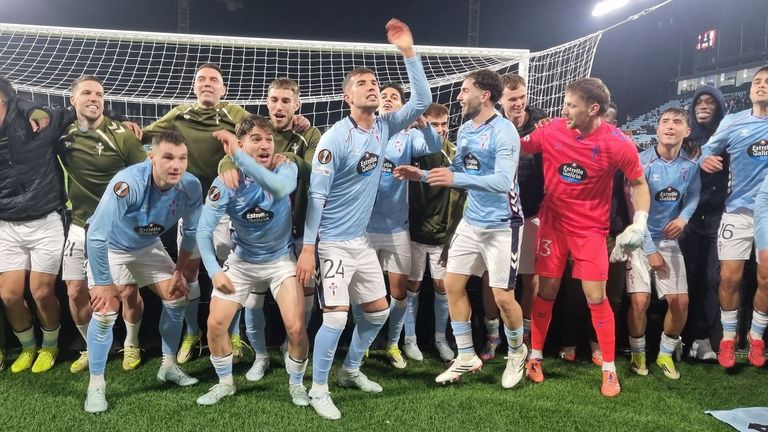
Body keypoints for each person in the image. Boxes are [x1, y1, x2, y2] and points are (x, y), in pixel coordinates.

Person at [295, 18, 430, 420]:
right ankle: (318, 388)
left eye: (375, 83)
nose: (372, 87)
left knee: (378, 311)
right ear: (346, 97)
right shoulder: (336, 137)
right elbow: (317, 195)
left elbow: (421, 102)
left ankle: (351, 369)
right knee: (336, 317)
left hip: (361, 242)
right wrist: (308, 249)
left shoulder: (386, 126)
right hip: (333, 242)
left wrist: (409, 51)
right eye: (362, 84)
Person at [396, 69, 527, 389]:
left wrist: (455, 179)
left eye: (464, 90)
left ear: (484, 95)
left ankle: (517, 352)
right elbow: (459, 169)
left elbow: (501, 181)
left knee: (503, 297)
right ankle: (466, 355)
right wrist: (423, 176)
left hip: (502, 224)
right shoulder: (467, 129)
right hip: (472, 221)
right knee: (452, 283)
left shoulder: (505, 131)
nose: (459, 96)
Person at [521, 78, 650, 397]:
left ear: (593, 109)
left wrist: (641, 221)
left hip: (591, 230)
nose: (564, 110)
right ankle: (535, 357)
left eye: (570, 105)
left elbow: (638, 183)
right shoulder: (552, 130)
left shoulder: (618, 143)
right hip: (553, 224)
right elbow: (519, 147)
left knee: (596, 296)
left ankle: (609, 369)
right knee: (547, 289)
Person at [83, 131, 202, 413]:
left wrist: (179, 270)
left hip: (147, 245)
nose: (176, 165)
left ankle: (169, 367)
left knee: (176, 296)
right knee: (105, 309)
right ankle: (96, 386)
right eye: (168, 158)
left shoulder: (192, 186)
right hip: (111, 245)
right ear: (152, 157)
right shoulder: (128, 183)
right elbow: (97, 235)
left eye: (182, 158)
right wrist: (102, 283)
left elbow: (193, 230)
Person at [196, 115, 310, 406]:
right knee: (215, 324)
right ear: (242, 144)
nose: (265, 145)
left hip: (281, 259)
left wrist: (237, 156)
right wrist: (212, 271)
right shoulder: (226, 181)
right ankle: (225, 383)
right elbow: (203, 231)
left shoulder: (285, 166)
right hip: (242, 260)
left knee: (296, 327)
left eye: (269, 139)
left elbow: (281, 189)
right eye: (256, 139)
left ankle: (296, 384)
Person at [142, 63, 249, 364]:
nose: (207, 83)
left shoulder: (234, 113)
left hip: (226, 208)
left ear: (223, 89)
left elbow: (258, 133)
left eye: (214, 80)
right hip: (190, 209)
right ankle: (193, 333)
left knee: (233, 271)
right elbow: (148, 134)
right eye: (201, 79)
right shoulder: (180, 114)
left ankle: (233, 331)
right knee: (188, 271)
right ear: (194, 86)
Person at [218, 77, 320, 379]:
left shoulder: (309, 133)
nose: (279, 106)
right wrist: (226, 164)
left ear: (297, 105)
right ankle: (260, 355)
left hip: (298, 225)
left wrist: (287, 158)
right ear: (267, 102)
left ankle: (293, 344)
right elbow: (233, 153)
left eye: (286, 101)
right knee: (253, 297)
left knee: (306, 290)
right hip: (258, 229)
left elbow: (313, 170)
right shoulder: (257, 129)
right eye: (274, 100)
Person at [58, 75, 148, 374]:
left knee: (126, 291)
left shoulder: (122, 135)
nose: (94, 98)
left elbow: (146, 174)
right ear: (73, 100)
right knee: (74, 291)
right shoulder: (62, 134)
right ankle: (92, 345)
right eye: (86, 93)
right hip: (81, 225)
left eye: (99, 93)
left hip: (116, 228)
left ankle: (132, 343)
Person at [367, 82, 441, 368]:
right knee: (366, 294)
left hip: (397, 228)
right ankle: (363, 344)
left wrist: (422, 123)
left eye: (394, 97)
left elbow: (434, 145)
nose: (387, 99)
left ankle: (393, 345)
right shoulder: (365, 132)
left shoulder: (408, 137)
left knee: (398, 293)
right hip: (365, 229)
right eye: (383, 96)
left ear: (401, 106)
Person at [699, 66, 768, 369]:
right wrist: (705, 158)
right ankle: (728, 338)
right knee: (728, 278)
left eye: (767, 83)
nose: (761, 86)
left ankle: (756, 337)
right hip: (736, 212)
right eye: (757, 82)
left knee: (767, 277)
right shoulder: (732, 121)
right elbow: (705, 149)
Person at [626, 107, 699, 380]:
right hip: (638, 239)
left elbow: (694, 195)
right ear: (657, 129)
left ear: (686, 131)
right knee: (639, 302)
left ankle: (666, 353)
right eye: (665, 121)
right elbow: (635, 211)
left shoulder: (690, 166)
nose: (670, 126)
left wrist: (682, 218)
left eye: (677, 122)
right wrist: (650, 250)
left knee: (680, 302)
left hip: (668, 240)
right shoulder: (640, 163)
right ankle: (638, 354)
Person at [478, 73, 547, 361]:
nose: (519, 103)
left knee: (530, 279)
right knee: (491, 278)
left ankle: (526, 334)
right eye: (512, 99)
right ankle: (493, 336)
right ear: (500, 100)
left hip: (531, 213)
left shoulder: (542, 125)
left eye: (522, 97)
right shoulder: (490, 125)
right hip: (498, 215)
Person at [0, 76, 65, 374]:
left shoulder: (29, 116)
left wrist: (37, 113)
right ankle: (28, 347)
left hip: (44, 220)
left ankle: (50, 346)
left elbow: (67, 112)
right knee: (10, 295)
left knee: (41, 292)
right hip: (6, 225)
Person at [405, 102, 457, 362]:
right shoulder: (412, 148)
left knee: (441, 286)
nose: (440, 129)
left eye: (444, 124)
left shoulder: (453, 153)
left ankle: (440, 338)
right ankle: (410, 339)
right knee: (411, 286)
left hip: (441, 234)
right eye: (434, 124)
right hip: (412, 230)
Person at [679, 85, 728, 361]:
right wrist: (699, 163)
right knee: (684, 279)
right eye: (700, 101)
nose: (704, 105)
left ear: (720, 107)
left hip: (717, 217)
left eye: (711, 101)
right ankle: (677, 337)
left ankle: (703, 338)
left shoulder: (728, 137)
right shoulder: (685, 139)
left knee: (712, 279)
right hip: (685, 218)